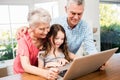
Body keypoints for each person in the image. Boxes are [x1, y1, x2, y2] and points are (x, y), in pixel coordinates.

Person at [16, 0, 97, 55]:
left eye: (79, 14)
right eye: (73, 13)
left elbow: (91, 48)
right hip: (53, 60)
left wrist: (98, 61)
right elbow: (39, 25)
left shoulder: (85, 27)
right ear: (66, 9)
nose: (76, 17)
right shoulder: (55, 22)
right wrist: (26, 28)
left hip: (70, 61)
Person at [13, 8, 59, 80]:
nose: (46, 32)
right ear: (32, 27)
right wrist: (45, 73)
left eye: (47, 27)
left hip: (38, 70)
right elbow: (26, 66)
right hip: (22, 73)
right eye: (41, 29)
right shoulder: (23, 38)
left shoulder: (46, 36)